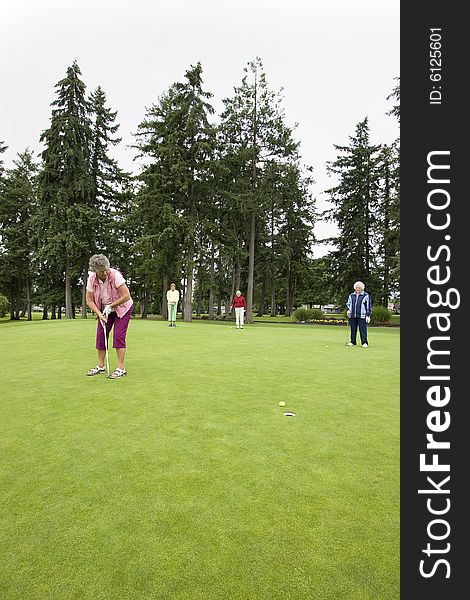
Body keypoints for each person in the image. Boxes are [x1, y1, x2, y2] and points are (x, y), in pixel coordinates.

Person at [85, 254, 133, 378]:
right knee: (101, 335)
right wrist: (100, 314)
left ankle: (121, 368)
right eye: (102, 271)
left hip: (122, 307)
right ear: (95, 271)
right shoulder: (91, 279)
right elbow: (89, 300)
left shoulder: (115, 275)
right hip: (105, 310)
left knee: (118, 336)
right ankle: (101, 366)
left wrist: (111, 305)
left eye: (106, 269)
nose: (105, 272)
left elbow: (126, 295)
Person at [346, 281, 371, 348]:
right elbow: (348, 304)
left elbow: (368, 305)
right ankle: (352, 342)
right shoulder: (351, 295)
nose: (358, 289)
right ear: (355, 288)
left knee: (362, 329)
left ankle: (364, 342)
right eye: (357, 288)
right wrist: (348, 310)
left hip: (362, 315)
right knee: (353, 329)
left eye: (359, 288)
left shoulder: (365, 295)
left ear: (362, 288)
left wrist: (368, 315)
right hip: (352, 315)